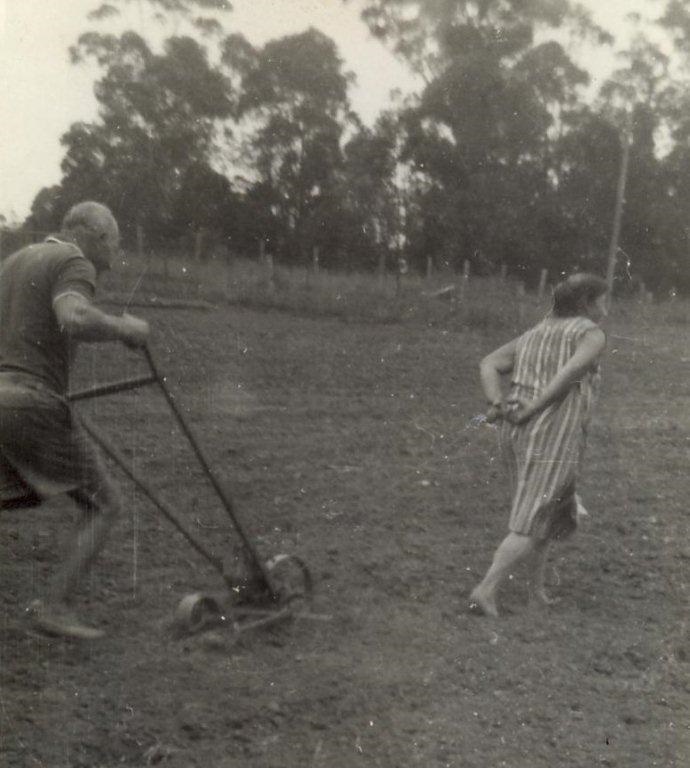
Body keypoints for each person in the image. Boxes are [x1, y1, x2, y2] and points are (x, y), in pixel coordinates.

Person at [0, 201, 150, 639]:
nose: (114, 257)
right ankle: (53, 609)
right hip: (31, 403)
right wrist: (125, 329)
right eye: (114, 244)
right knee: (105, 505)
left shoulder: (12, 263)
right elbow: (74, 315)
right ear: (97, 237)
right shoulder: (72, 260)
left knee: (20, 492)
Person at [469, 273, 608, 617]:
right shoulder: (590, 334)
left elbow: (488, 363)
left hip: (516, 429)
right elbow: (569, 375)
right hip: (550, 430)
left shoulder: (534, 332)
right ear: (587, 303)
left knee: (543, 513)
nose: (606, 307)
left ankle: (536, 594)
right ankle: (485, 590)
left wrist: (496, 402)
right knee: (532, 519)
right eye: (602, 299)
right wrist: (537, 406)